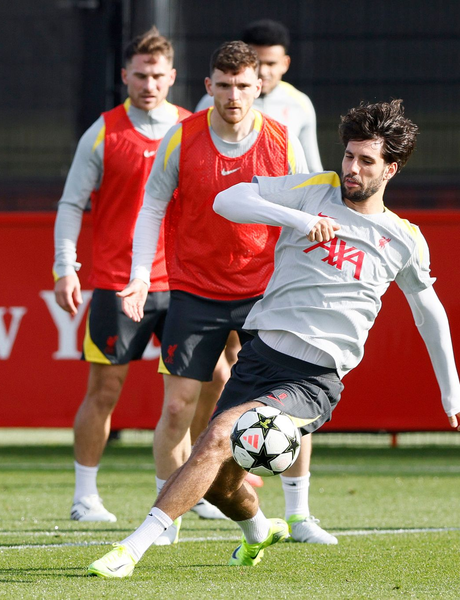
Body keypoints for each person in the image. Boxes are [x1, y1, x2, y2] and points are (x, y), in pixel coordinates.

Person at [88, 99, 460, 578]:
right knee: (221, 482)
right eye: (348, 156)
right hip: (261, 357)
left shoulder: (403, 238)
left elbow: (428, 310)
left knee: (219, 436)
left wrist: (450, 389)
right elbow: (227, 201)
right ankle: (260, 532)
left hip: (314, 379)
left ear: (391, 168)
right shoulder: (314, 191)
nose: (352, 168)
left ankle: (132, 548)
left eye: (366, 161)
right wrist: (301, 222)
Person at [115, 40, 318, 545]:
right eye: (223, 85)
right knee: (180, 407)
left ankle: (299, 516)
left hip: (264, 293)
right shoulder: (182, 138)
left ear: (260, 86)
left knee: (286, 407)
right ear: (208, 87)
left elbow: (308, 212)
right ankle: (169, 515)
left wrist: (303, 283)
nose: (234, 95)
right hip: (193, 290)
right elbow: (152, 208)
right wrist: (142, 274)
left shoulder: (282, 140)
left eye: (244, 85)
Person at [54, 27, 217, 524]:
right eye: (140, 75)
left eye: (158, 75)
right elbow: (71, 203)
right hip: (117, 280)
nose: (149, 83)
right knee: (105, 390)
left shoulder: (195, 128)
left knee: (202, 387)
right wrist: (65, 266)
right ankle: (85, 496)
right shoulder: (103, 132)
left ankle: (192, 488)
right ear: (126, 76)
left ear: (173, 77)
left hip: (185, 283)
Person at [193, 19, 332, 543]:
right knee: (216, 384)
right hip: (212, 274)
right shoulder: (205, 119)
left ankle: (299, 514)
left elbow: (314, 177)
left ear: (280, 68)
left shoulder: (294, 111)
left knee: (292, 381)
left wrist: (313, 238)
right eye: (256, 66)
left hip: (274, 274)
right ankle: (215, 485)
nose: (260, 78)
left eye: (270, 67)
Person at [195, 19, 322, 171]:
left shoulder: (300, 104)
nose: (263, 71)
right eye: (258, 63)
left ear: (285, 63)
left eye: (271, 63)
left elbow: (311, 170)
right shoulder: (212, 101)